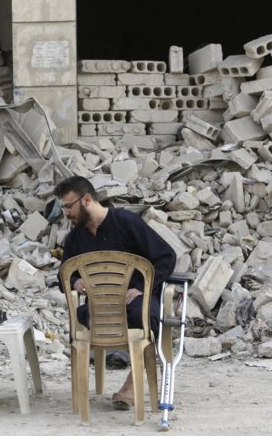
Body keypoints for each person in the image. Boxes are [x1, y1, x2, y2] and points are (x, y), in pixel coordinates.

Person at [55, 175, 176, 411]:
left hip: (135, 304)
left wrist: (140, 288)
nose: (66, 213)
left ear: (87, 199)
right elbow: (63, 275)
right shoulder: (75, 238)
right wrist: (76, 281)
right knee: (86, 315)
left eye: (69, 206)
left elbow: (166, 257)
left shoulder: (127, 222)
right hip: (99, 308)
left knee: (146, 315)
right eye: (64, 208)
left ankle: (133, 381)